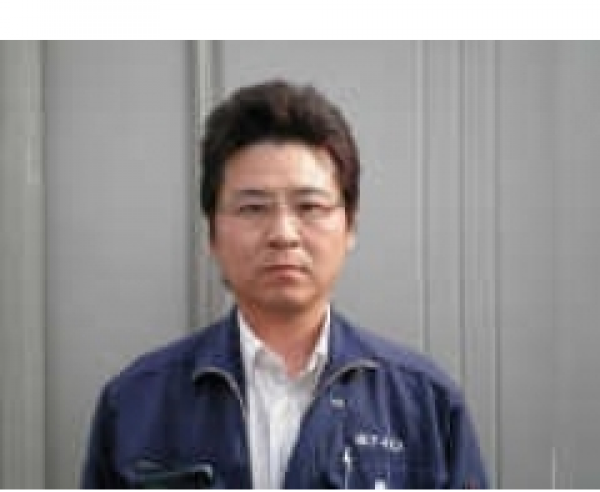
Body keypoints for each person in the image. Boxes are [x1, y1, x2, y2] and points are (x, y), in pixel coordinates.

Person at [82, 80, 488, 489]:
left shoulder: (426, 404)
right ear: (213, 233)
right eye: (253, 208)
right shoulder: (135, 404)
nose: (282, 234)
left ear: (350, 227)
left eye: (309, 206)